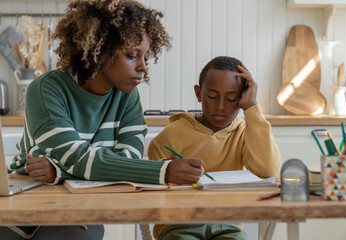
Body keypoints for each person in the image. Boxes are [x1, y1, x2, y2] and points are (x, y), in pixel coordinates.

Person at [2, 0, 203, 239]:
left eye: (146, 57)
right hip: (24, 206)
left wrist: (59, 170)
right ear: (99, 50)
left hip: (81, 211)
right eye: (132, 55)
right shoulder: (46, 89)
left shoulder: (128, 96)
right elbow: (78, 158)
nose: (143, 67)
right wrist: (163, 171)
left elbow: (127, 158)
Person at [147, 56, 282, 240]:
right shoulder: (171, 134)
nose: (220, 106)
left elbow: (268, 170)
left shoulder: (245, 132)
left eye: (232, 98)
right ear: (198, 93)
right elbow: (151, 189)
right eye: (212, 96)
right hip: (178, 224)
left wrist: (252, 108)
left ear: (242, 97)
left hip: (227, 225)